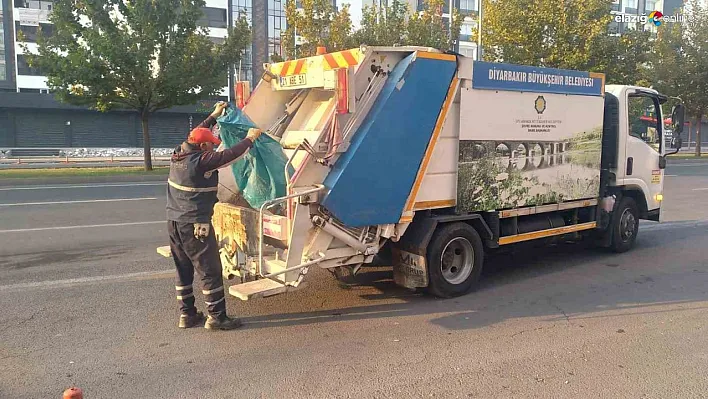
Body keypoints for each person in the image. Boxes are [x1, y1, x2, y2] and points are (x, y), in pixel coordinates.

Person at [167, 101, 262, 330]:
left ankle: (187, 314)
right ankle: (217, 318)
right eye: (211, 145)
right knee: (210, 270)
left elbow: (197, 132)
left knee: (183, 268)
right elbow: (230, 156)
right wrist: (250, 138)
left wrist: (214, 116)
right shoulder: (202, 161)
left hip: (174, 222)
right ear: (203, 147)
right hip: (195, 225)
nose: (214, 148)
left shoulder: (178, 154)